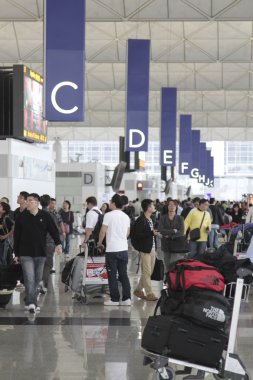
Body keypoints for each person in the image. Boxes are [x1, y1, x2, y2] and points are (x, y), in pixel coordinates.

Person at [14, 193, 62, 313]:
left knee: (37, 279)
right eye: (27, 200)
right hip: (25, 253)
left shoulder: (45, 215)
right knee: (29, 278)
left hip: (40, 253)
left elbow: (54, 231)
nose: (27, 202)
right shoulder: (21, 217)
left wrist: (58, 244)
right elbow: (17, 236)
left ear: (36, 203)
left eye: (30, 201)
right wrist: (16, 254)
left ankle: (30, 301)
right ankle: (32, 303)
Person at [97, 194, 131, 306]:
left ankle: (115, 299)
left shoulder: (108, 215)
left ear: (114, 203)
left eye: (111, 202)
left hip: (112, 249)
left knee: (112, 275)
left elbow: (103, 231)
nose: (109, 203)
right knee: (123, 274)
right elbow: (127, 233)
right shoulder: (126, 217)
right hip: (123, 249)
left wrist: (99, 242)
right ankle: (127, 299)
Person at [133, 199, 159, 301]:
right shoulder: (141, 220)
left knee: (149, 272)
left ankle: (138, 290)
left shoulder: (150, 219)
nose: (154, 207)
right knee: (147, 272)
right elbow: (138, 235)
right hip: (145, 250)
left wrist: (153, 233)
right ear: (148, 208)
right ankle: (149, 293)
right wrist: (151, 233)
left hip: (151, 248)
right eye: (152, 205)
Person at [39, 194, 60, 293]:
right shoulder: (52, 215)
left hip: (37, 243)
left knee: (38, 263)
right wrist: (58, 243)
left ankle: (36, 283)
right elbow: (55, 230)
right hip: (49, 243)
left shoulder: (36, 213)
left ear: (39, 202)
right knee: (48, 264)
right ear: (49, 203)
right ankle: (43, 283)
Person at [158, 200, 185, 272]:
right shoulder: (163, 217)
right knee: (166, 262)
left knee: (174, 262)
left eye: (174, 205)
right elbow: (160, 230)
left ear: (176, 207)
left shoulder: (180, 218)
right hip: (165, 243)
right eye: (170, 205)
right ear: (167, 206)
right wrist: (173, 231)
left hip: (176, 244)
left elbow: (181, 232)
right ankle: (167, 278)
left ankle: (174, 279)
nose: (172, 207)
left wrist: (170, 236)